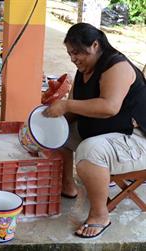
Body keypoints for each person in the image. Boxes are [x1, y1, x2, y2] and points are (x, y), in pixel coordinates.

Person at [43, 23, 146, 238]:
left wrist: (67, 106)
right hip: (108, 132)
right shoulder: (84, 70)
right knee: (58, 135)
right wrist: (46, 122)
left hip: (137, 139)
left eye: (78, 52)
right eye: (70, 53)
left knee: (90, 151)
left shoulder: (116, 66)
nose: (73, 58)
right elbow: (72, 109)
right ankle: (67, 186)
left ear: (95, 45)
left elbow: (109, 107)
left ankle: (100, 215)